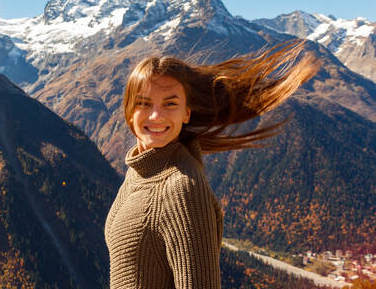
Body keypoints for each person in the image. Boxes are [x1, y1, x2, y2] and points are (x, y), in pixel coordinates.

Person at [104, 40, 319, 288]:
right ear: (129, 110)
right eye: (144, 103)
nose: (155, 115)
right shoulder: (140, 169)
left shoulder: (181, 189)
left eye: (170, 103)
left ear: (187, 112)